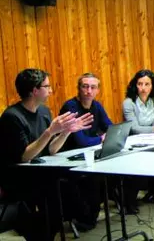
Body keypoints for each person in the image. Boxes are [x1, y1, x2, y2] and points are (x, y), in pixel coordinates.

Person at [0, 69, 95, 239]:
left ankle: (76, 218)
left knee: (79, 181)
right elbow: (24, 156)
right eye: (47, 86)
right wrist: (50, 132)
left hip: (41, 171)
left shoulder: (44, 111)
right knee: (62, 191)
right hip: (20, 177)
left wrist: (66, 131)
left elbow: (51, 149)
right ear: (34, 90)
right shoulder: (11, 117)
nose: (51, 90)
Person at [122, 69, 154, 210]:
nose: (143, 88)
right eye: (140, 84)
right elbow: (134, 128)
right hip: (135, 142)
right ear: (134, 85)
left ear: (152, 86)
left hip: (153, 139)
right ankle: (130, 200)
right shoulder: (128, 103)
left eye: (147, 84)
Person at [59, 73, 113, 151]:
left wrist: (109, 135)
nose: (89, 91)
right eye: (85, 86)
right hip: (71, 152)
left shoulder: (97, 105)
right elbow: (81, 141)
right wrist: (101, 138)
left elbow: (110, 128)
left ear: (98, 90)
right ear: (78, 88)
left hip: (89, 149)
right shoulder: (70, 106)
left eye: (93, 87)